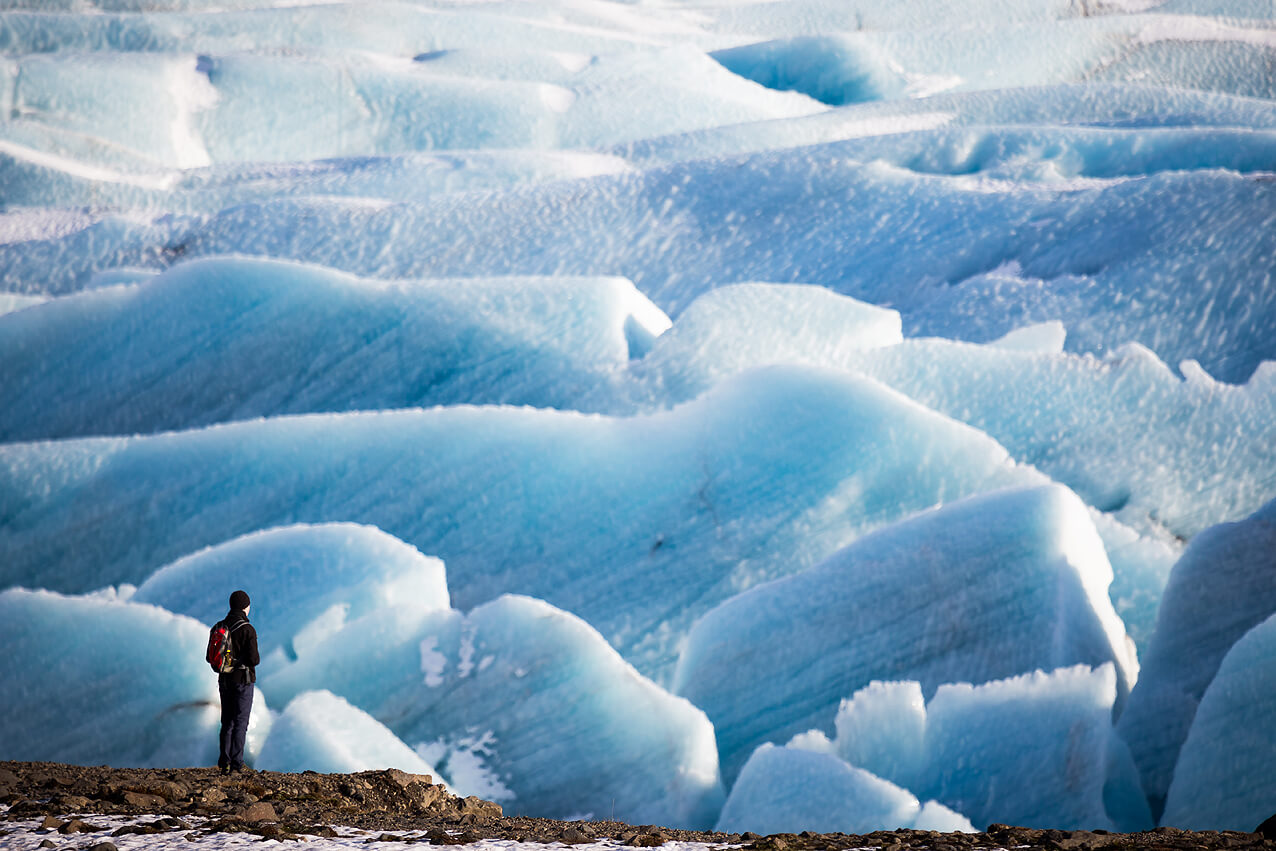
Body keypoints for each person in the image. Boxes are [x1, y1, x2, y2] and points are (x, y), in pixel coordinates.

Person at [217, 589, 260, 774]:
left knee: (227, 721)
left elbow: (210, 656)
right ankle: (237, 763)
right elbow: (254, 659)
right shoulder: (247, 629)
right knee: (240, 722)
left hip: (224, 680)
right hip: (243, 680)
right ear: (245, 607)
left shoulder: (220, 626)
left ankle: (224, 762)